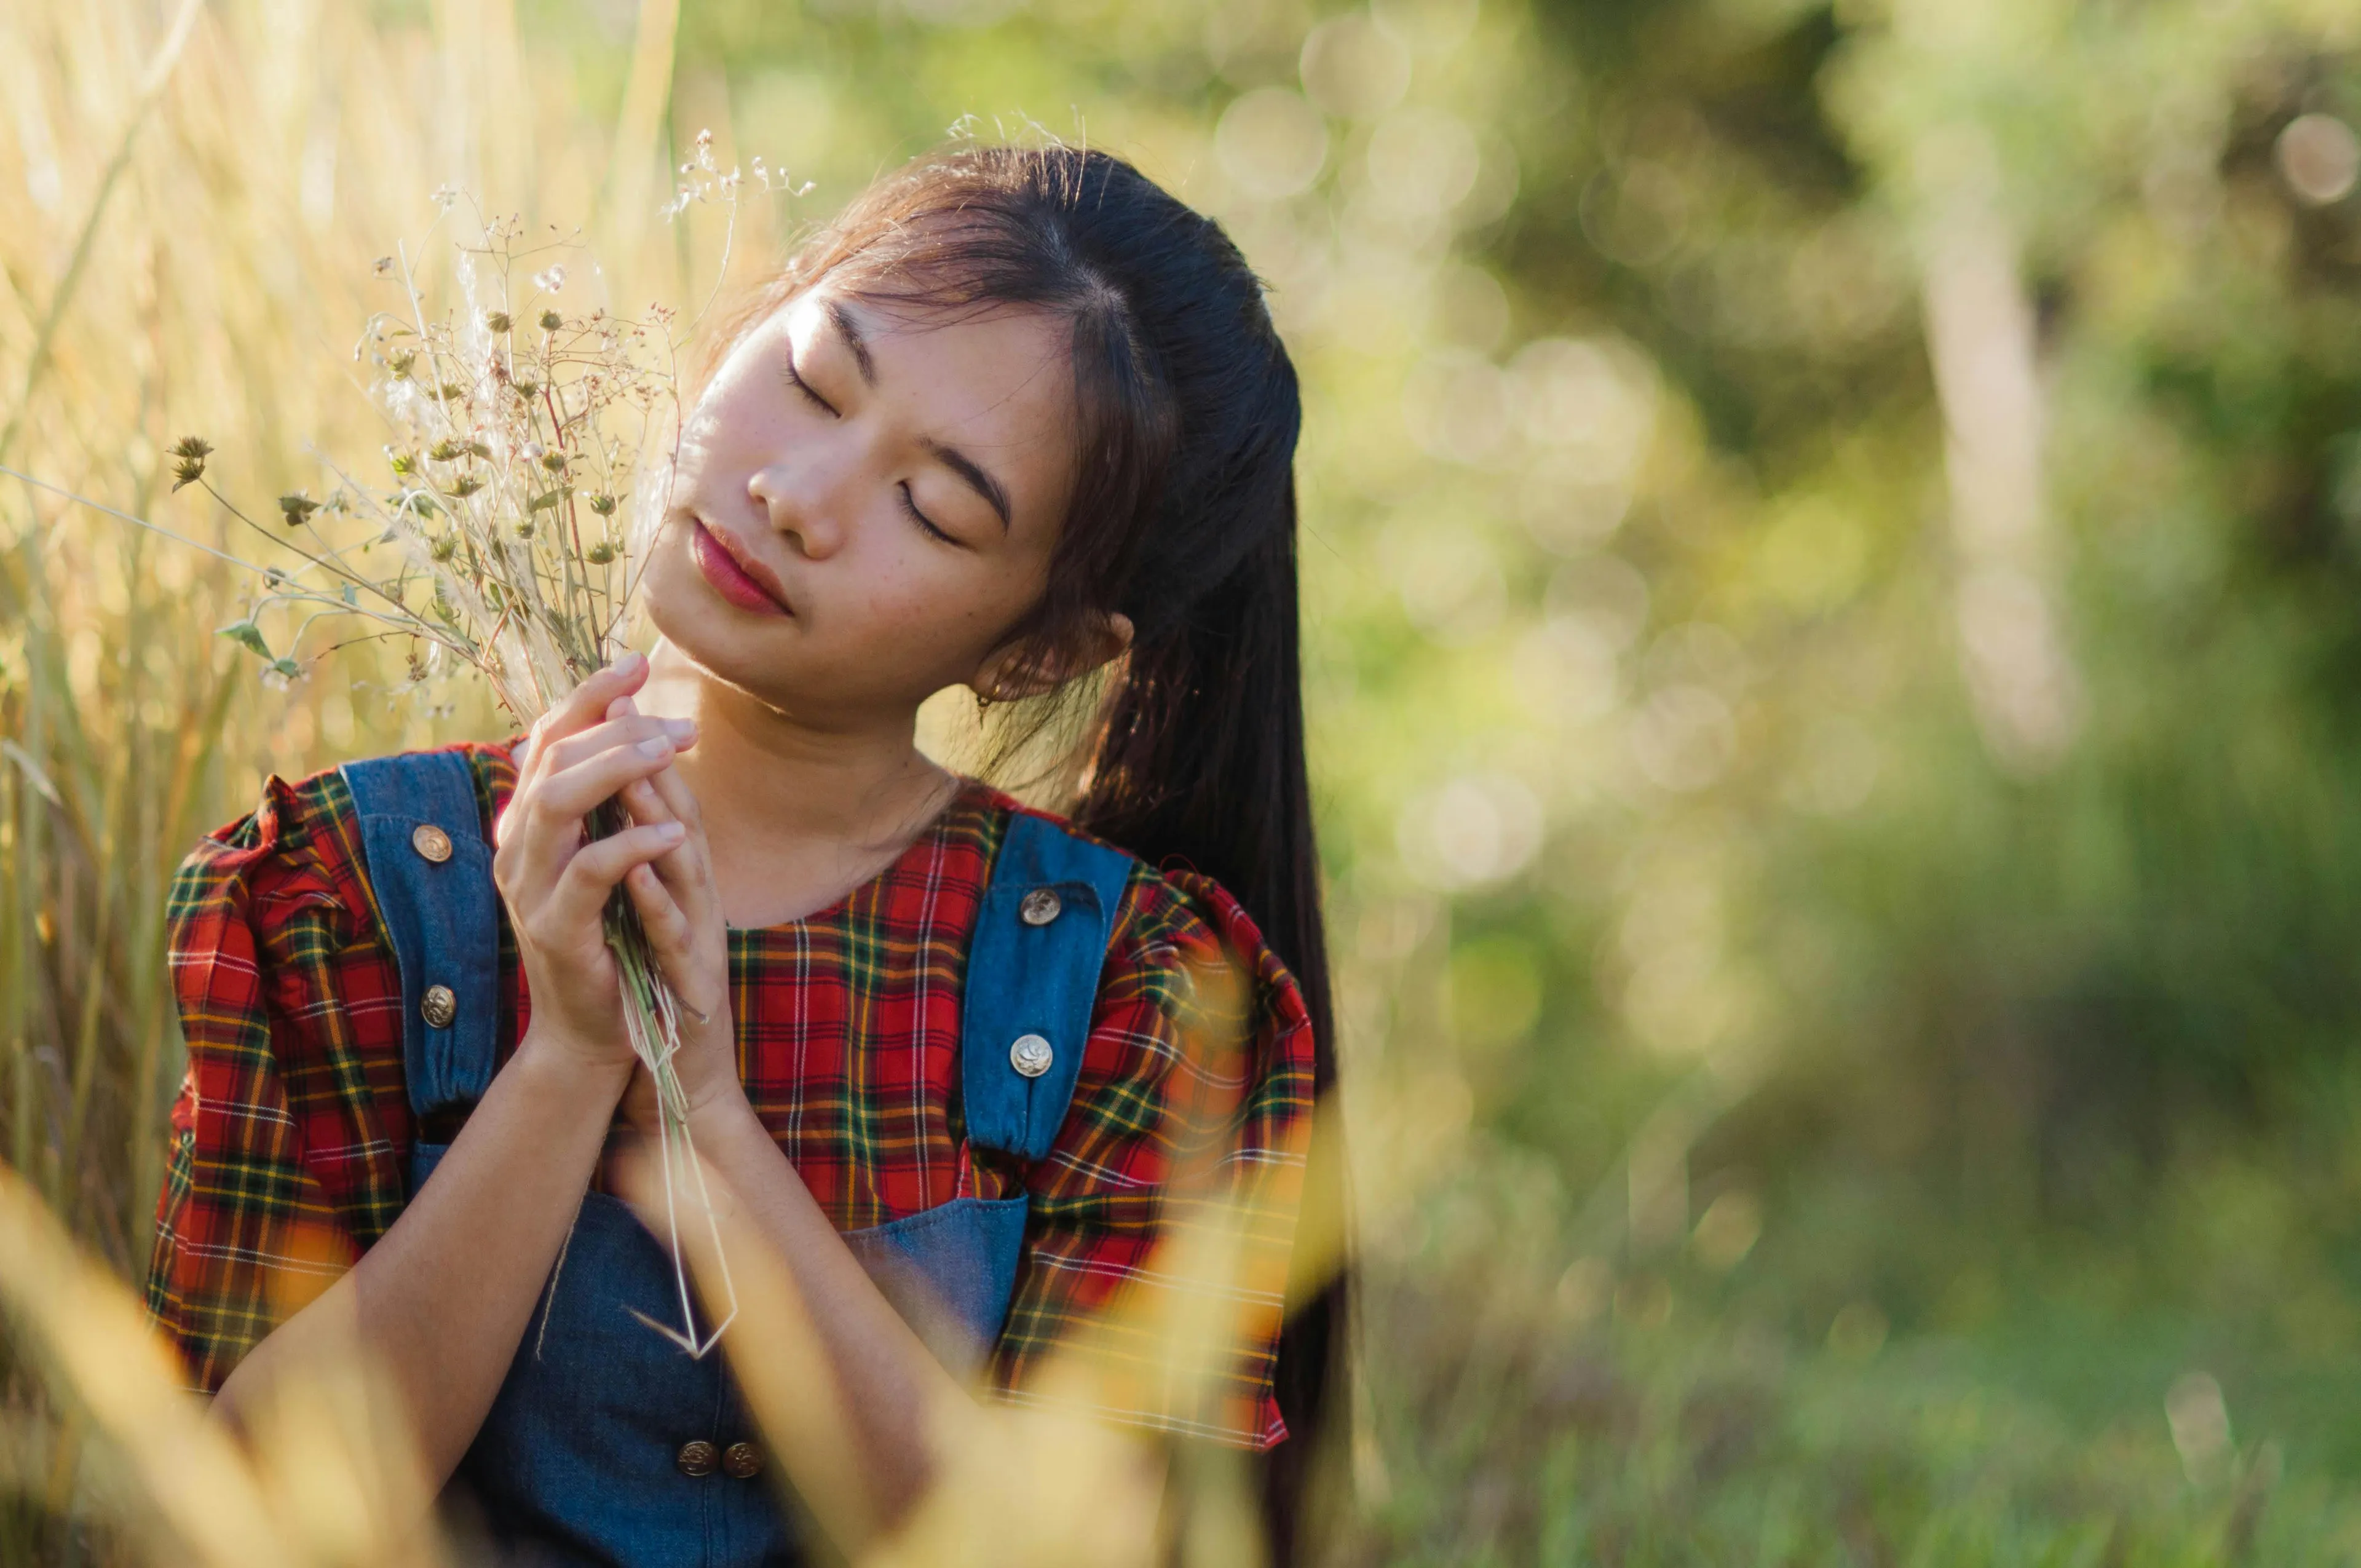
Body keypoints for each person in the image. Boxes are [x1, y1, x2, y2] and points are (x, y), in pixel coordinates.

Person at [142, 142, 1345, 1565]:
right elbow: (225, 1521)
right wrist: (569, 1059)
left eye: (935, 506)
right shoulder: (354, 888)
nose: (799, 493)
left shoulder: (1134, 995)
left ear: (1039, 655)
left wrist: (701, 1113)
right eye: (817, 378)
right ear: (746, 322)